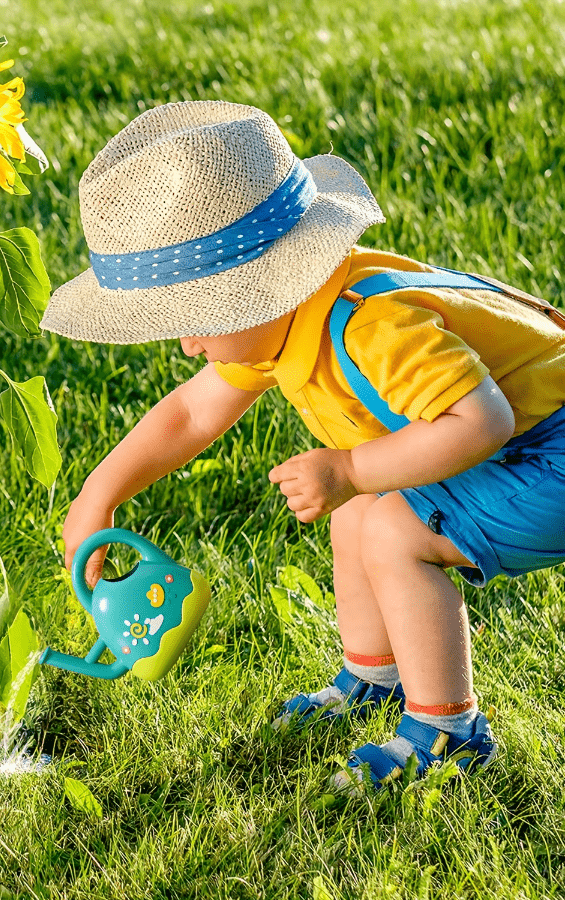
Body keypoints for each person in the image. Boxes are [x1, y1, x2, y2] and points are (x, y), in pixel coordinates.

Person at [39, 100, 565, 791]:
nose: (189, 345)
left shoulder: (372, 329)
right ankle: (374, 679)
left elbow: (481, 422)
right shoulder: (288, 315)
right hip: (516, 441)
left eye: (197, 318)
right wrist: (98, 495)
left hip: (548, 453)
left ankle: (448, 734)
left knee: (391, 529)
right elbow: (190, 414)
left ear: (261, 288)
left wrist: (350, 466)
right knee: (359, 511)